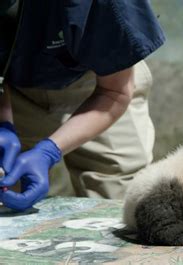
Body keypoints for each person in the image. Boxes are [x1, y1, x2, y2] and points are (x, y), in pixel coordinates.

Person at [0, 0, 165, 211]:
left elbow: (115, 91)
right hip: (15, 89)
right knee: (8, 202)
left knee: (123, 206)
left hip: (103, 82)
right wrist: (3, 122)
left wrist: (48, 151)